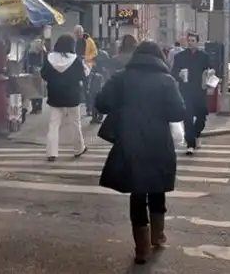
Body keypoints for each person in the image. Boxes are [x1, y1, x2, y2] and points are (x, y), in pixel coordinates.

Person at [95, 41, 186, 264]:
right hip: (158, 141)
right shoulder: (166, 80)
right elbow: (178, 112)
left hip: (130, 140)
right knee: (157, 187)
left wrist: (123, 106)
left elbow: (101, 103)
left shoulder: (121, 77)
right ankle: (157, 235)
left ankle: (141, 248)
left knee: (137, 191)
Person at [41, 34, 89, 162]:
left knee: (54, 124)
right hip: (72, 95)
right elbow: (83, 75)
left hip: (55, 94)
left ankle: (51, 152)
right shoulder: (75, 59)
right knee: (75, 123)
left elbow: (43, 74)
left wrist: (53, 81)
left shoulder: (49, 58)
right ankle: (79, 149)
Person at [171, 32, 211, 155]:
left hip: (200, 91)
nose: (190, 43)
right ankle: (190, 144)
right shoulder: (180, 57)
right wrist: (180, 75)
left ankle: (196, 134)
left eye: (193, 41)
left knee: (201, 117)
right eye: (189, 41)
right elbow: (173, 72)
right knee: (187, 118)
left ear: (197, 42)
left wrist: (210, 74)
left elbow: (211, 69)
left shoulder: (204, 57)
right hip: (186, 91)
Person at [26, 38, 47, 115]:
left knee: (39, 90)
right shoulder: (30, 52)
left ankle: (39, 107)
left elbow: (46, 62)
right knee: (33, 90)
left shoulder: (43, 53)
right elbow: (27, 62)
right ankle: (34, 107)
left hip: (40, 73)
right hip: (32, 72)